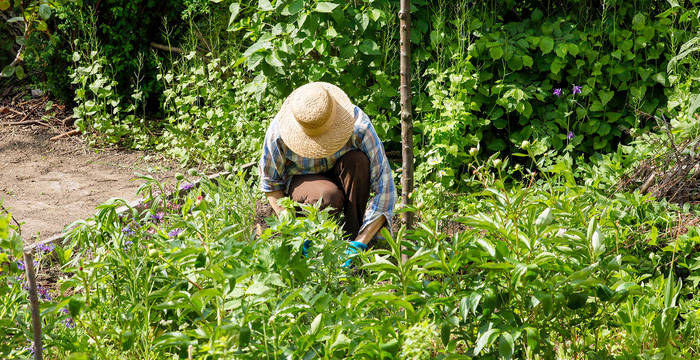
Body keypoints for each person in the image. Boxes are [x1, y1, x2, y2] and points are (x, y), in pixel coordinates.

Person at [258, 82, 397, 264]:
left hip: (343, 174)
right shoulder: (279, 133)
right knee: (327, 195)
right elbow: (271, 185)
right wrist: (295, 230)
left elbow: (385, 189)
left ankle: (352, 238)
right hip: (306, 185)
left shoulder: (358, 125)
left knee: (358, 162)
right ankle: (316, 243)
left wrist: (361, 242)